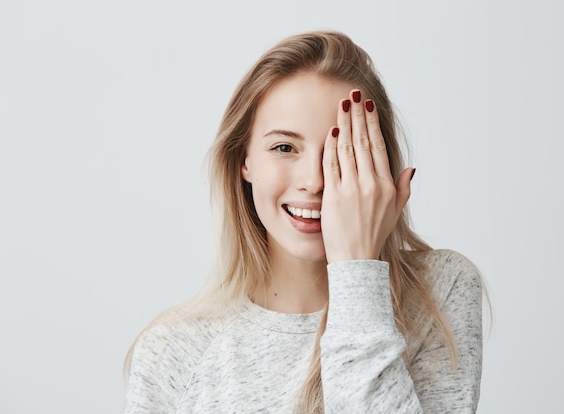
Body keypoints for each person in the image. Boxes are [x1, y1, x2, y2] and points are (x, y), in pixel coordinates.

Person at [123, 30, 483, 414]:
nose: (314, 181)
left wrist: (357, 270)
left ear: (379, 162)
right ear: (244, 161)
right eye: (284, 147)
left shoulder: (441, 293)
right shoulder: (172, 350)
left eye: (340, 151)